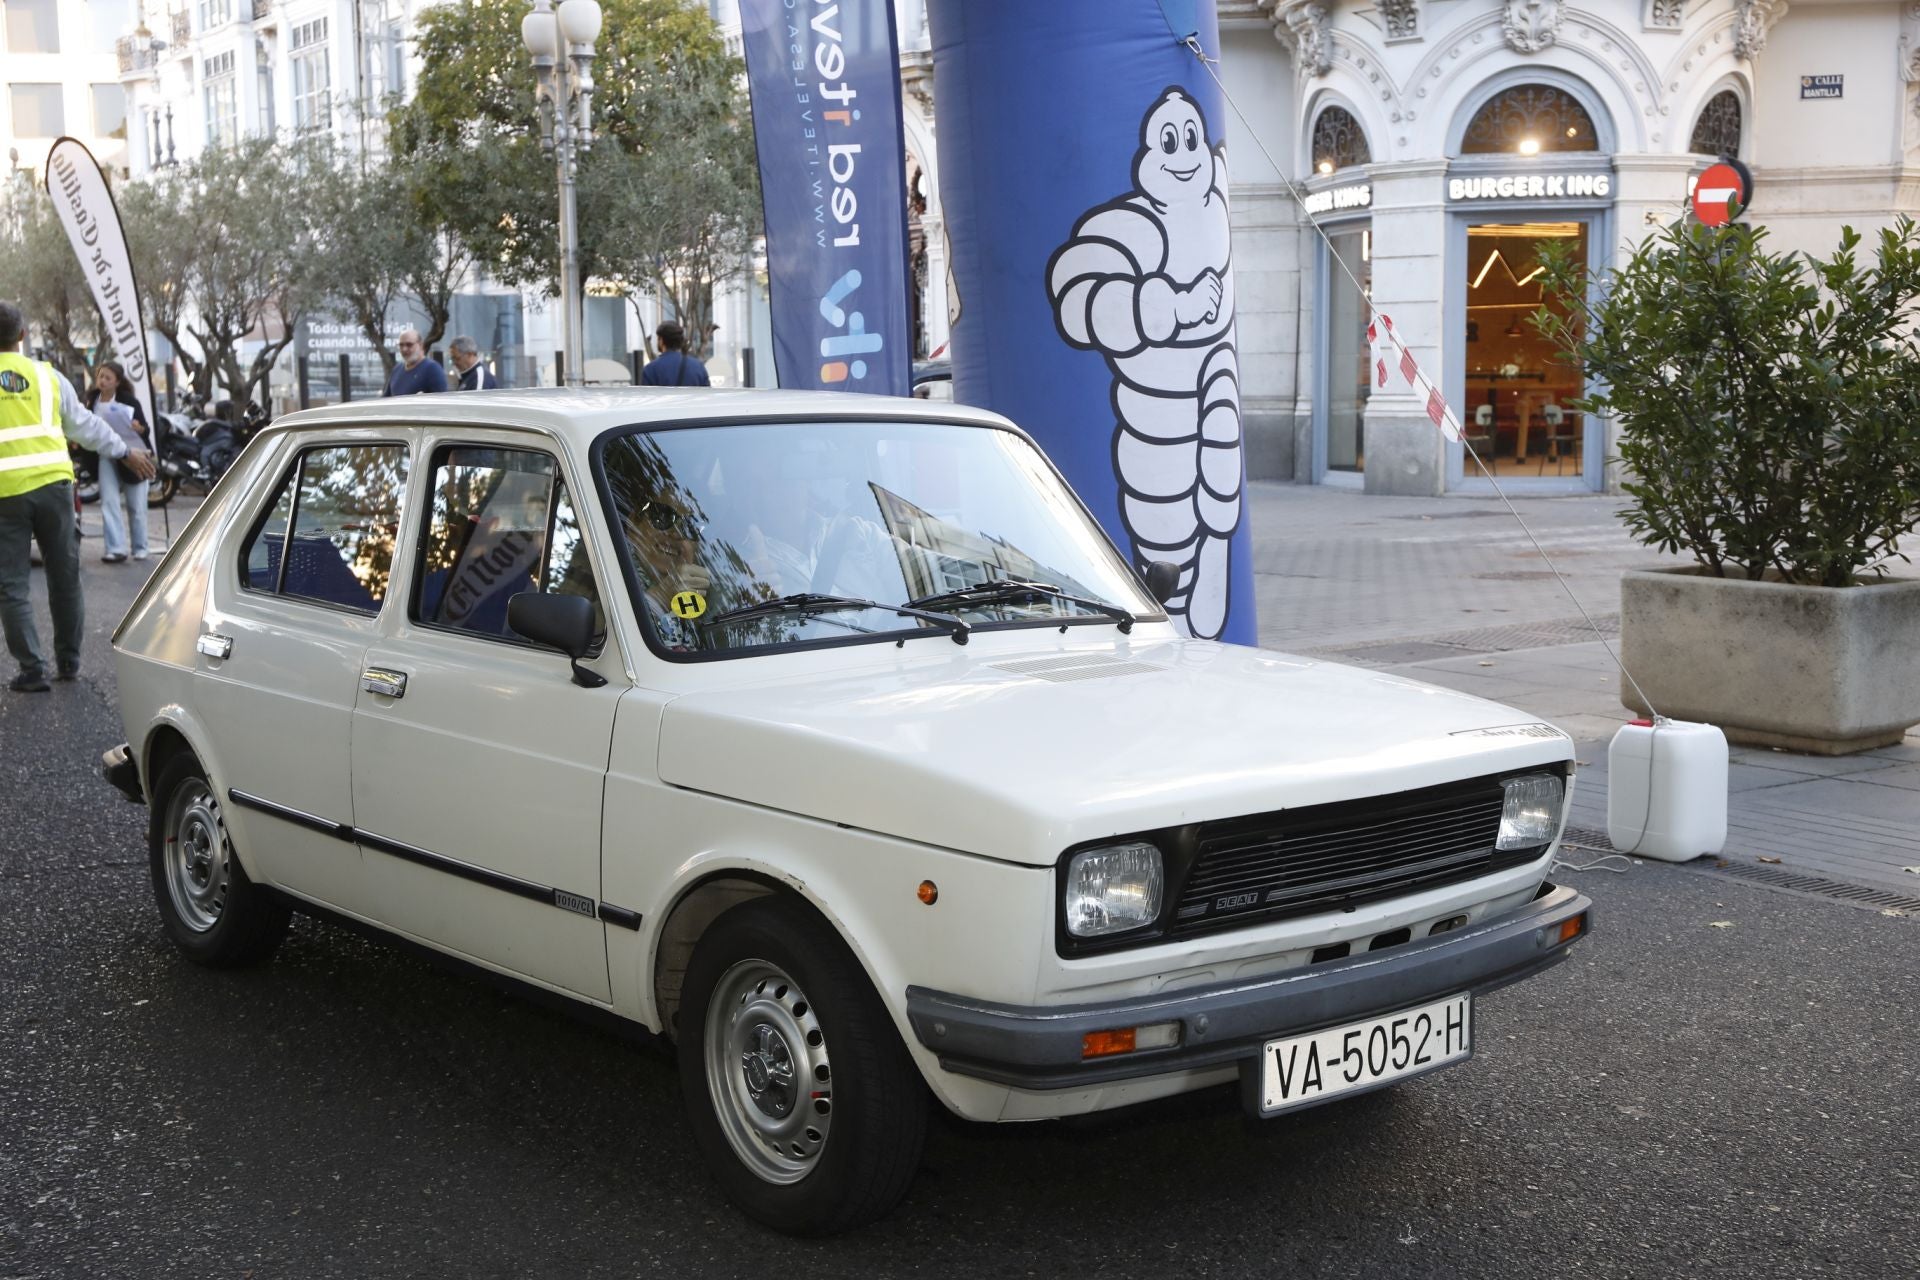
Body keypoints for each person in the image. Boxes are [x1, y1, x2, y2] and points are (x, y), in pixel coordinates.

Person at [0, 300, 157, 692]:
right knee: (65, 577)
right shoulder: (48, 377)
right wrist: (125, 451)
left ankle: (31, 669)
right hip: (54, 488)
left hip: (5, 496)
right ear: (22, 336)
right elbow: (86, 426)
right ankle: (68, 662)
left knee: (12, 584)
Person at [84, 361, 151, 563]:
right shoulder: (91, 400)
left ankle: (140, 547)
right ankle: (115, 548)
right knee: (109, 500)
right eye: (100, 376)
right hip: (106, 455)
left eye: (107, 378)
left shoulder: (129, 401)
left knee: (136, 505)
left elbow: (144, 429)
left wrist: (139, 428)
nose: (102, 381)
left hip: (133, 454)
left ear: (117, 382)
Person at [641, 321, 710, 387]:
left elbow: (646, 396)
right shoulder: (698, 367)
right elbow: (707, 396)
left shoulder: (650, 370)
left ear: (661, 341)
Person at [384, 328, 448, 396]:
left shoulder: (432, 369)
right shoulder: (397, 369)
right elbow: (386, 400)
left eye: (409, 345)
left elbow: (441, 401)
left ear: (421, 345)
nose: (404, 349)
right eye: (401, 345)